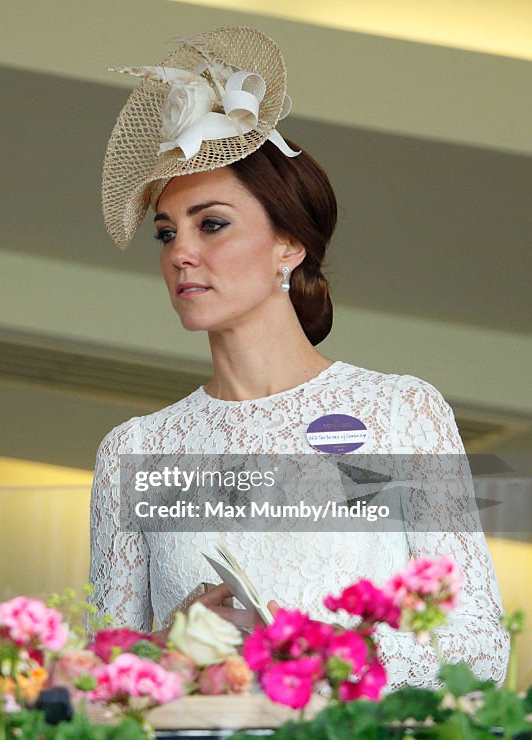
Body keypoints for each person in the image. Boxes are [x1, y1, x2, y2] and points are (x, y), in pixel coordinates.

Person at [89, 27, 508, 688]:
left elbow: (481, 647)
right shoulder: (134, 450)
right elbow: (99, 670)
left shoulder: (404, 412)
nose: (179, 252)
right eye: (167, 233)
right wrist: (172, 641)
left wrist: (318, 652)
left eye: (212, 223)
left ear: (289, 244)